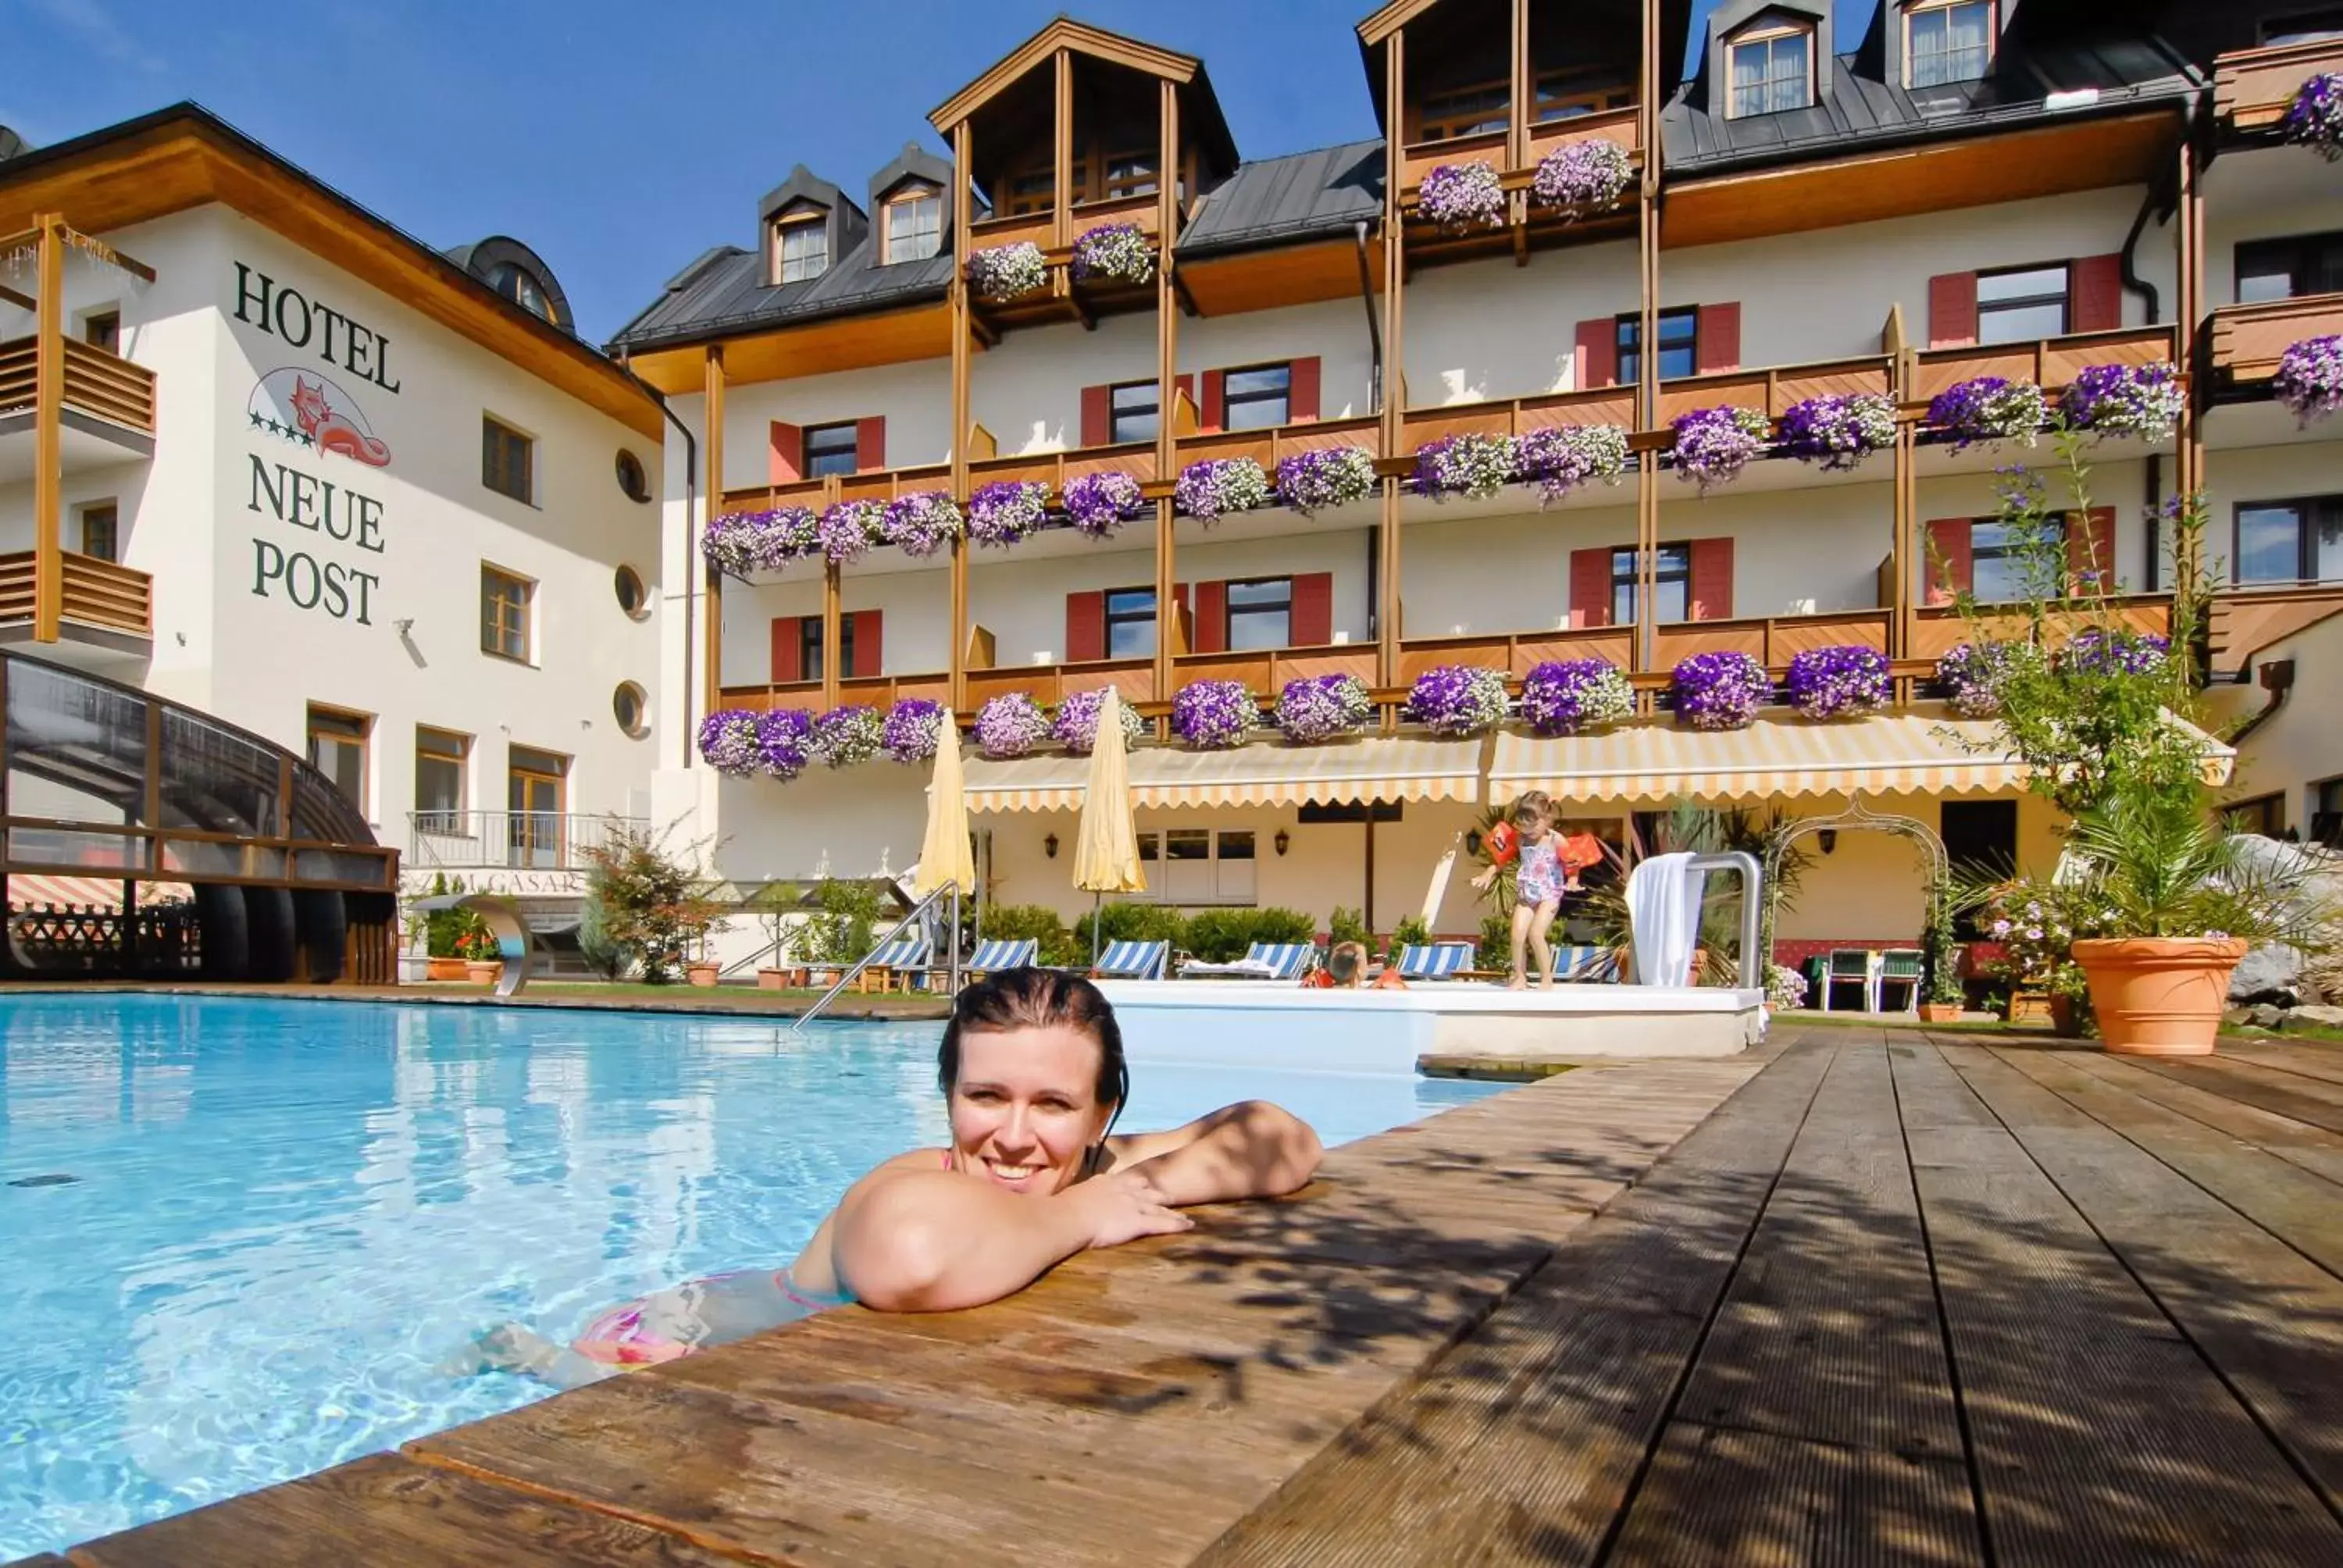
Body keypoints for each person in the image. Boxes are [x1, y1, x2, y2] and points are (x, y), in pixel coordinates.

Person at [462, 968, 1323, 1387]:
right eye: (985, 1095)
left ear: (1103, 1115)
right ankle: (518, 1351)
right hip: (676, 1340)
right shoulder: (915, 1182)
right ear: (949, 1097)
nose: (1015, 1137)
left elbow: (1280, 1135)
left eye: (1054, 1104)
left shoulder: (1096, 1161)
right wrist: (1087, 1211)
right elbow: (912, 1259)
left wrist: (1148, 1180)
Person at [1471, 791, 1564, 989]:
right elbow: (1501, 859)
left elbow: (1573, 862)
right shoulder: (1520, 840)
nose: (1528, 832)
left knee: (1536, 934)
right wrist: (1487, 874)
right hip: (1527, 893)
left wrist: (1573, 880)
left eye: (1533, 827)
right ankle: (1520, 977)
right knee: (1516, 935)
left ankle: (1547, 979)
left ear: (1547, 819)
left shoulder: (1556, 840)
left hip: (1549, 894)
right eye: (1524, 827)